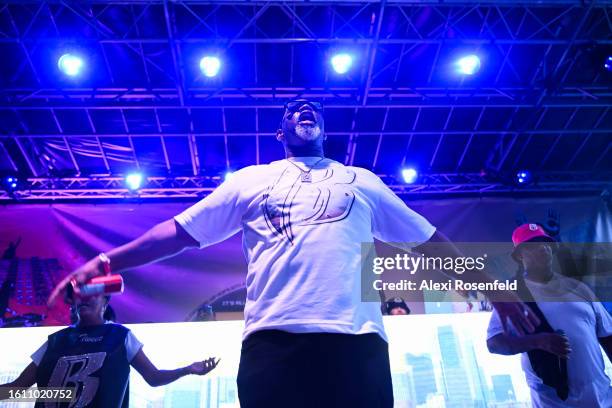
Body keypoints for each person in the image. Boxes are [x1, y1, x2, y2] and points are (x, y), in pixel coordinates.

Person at [48, 99, 538, 408]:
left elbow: (427, 241)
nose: (306, 111)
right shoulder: (250, 180)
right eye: (293, 110)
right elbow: (178, 232)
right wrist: (109, 261)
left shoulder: (361, 181)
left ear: (324, 129)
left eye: (314, 110)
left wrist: (494, 289)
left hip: (356, 342)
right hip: (273, 345)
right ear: (279, 133)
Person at [2, 287, 219, 407]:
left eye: (91, 294)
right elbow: (18, 388)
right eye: (80, 296)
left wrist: (187, 369)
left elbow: (153, 378)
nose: (84, 299)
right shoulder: (55, 340)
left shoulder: (120, 336)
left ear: (105, 303)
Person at [487, 223, 612, 407]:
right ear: (519, 256)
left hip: (602, 399)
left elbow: (607, 336)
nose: (543, 248)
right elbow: (494, 343)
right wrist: (537, 342)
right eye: (532, 245)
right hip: (552, 402)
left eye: (545, 243)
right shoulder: (513, 295)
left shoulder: (579, 288)